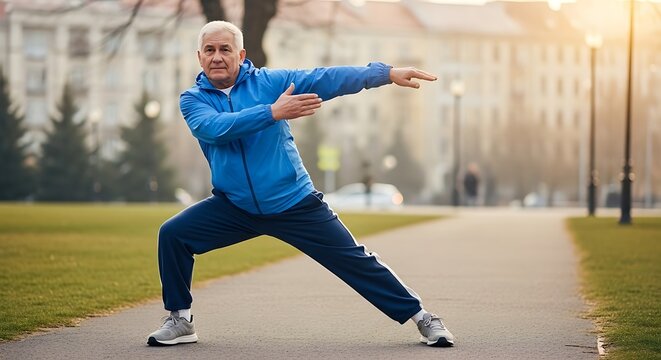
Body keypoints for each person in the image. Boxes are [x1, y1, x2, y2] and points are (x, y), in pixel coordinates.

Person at [147, 21, 454, 348]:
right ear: (199, 57)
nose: (217, 57)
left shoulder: (271, 83)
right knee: (173, 235)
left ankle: (423, 318)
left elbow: (326, 78)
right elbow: (215, 128)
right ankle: (181, 320)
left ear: (241, 54)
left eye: (225, 49)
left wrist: (385, 73)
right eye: (210, 50)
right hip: (234, 206)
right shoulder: (193, 100)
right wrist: (272, 113)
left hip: (294, 203)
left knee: (356, 261)